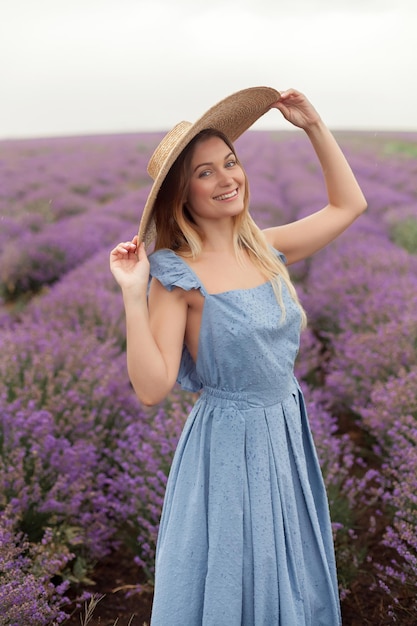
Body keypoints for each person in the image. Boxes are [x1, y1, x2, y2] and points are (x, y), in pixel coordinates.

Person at [110, 86, 367, 625]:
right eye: (205, 172)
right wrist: (134, 294)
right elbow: (152, 388)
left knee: (283, 573)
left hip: (283, 432)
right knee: (233, 576)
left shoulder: (266, 250)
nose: (227, 179)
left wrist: (314, 126)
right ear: (182, 192)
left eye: (230, 162)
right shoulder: (177, 275)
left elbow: (350, 205)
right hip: (228, 445)